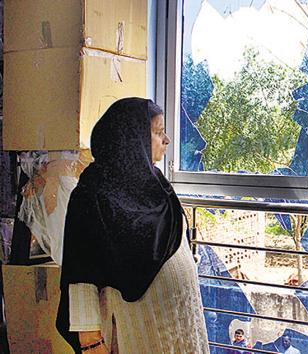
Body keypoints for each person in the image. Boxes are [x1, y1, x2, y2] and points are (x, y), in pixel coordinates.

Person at [56, 98, 209, 353]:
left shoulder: (157, 184)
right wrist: (90, 341)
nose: (167, 141)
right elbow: (80, 272)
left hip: (180, 322)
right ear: (131, 138)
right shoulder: (92, 194)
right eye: (159, 132)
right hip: (139, 329)